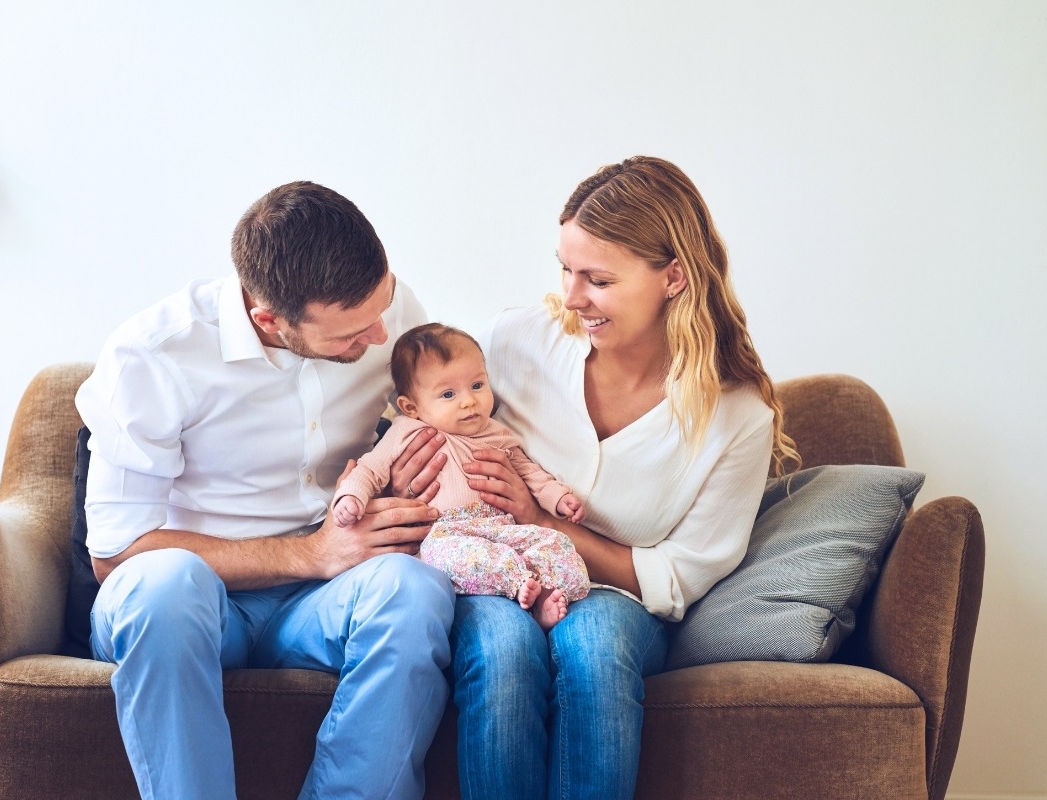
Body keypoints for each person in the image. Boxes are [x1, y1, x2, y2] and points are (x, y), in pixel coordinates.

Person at [398, 156, 800, 798]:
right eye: (565, 268)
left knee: (594, 649)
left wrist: (542, 520)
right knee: (501, 654)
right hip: (496, 576)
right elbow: (425, 406)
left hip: (620, 600)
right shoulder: (514, 343)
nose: (571, 295)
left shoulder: (735, 417)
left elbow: (680, 575)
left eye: (598, 278)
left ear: (673, 277)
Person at [74, 181, 456, 800]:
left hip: (325, 599)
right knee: (161, 587)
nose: (380, 337)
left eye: (381, 308)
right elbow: (116, 553)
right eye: (350, 336)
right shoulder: (152, 354)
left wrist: (412, 470)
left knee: (414, 589)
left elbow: (429, 421)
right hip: (200, 603)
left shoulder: (388, 311)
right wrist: (309, 554)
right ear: (268, 320)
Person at [332, 322, 589, 630]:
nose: (469, 401)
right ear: (410, 407)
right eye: (449, 394)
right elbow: (370, 468)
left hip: (500, 529)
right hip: (446, 534)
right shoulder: (406, 430)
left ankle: (543, 595)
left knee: (555, 542)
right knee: (449, 556)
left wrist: (558, 498)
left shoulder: (496, 433)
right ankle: (518, 585)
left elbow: (529, 472)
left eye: (477, 386)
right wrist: (352, 496)